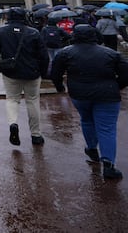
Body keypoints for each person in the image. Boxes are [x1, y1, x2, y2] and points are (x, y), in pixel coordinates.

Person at [51, 24, 128, 180]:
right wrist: (116, 86)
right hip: (107, 95)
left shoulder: (65, 53)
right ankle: (108, 164)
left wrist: (60, 87)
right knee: (107, 128)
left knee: (86, 120)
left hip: (79, 94)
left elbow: (55, 73)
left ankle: (92, 148)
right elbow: (126, 74)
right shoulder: (111, 54)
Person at [0, 7, 48, 146]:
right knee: (32, 101)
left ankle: (13, 123)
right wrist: (43, 72)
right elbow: (43, 56)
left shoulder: (1, 31)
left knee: (12, 100)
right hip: (32, 72)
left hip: (11, 71)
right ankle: (36, 134)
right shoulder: (34, 32)